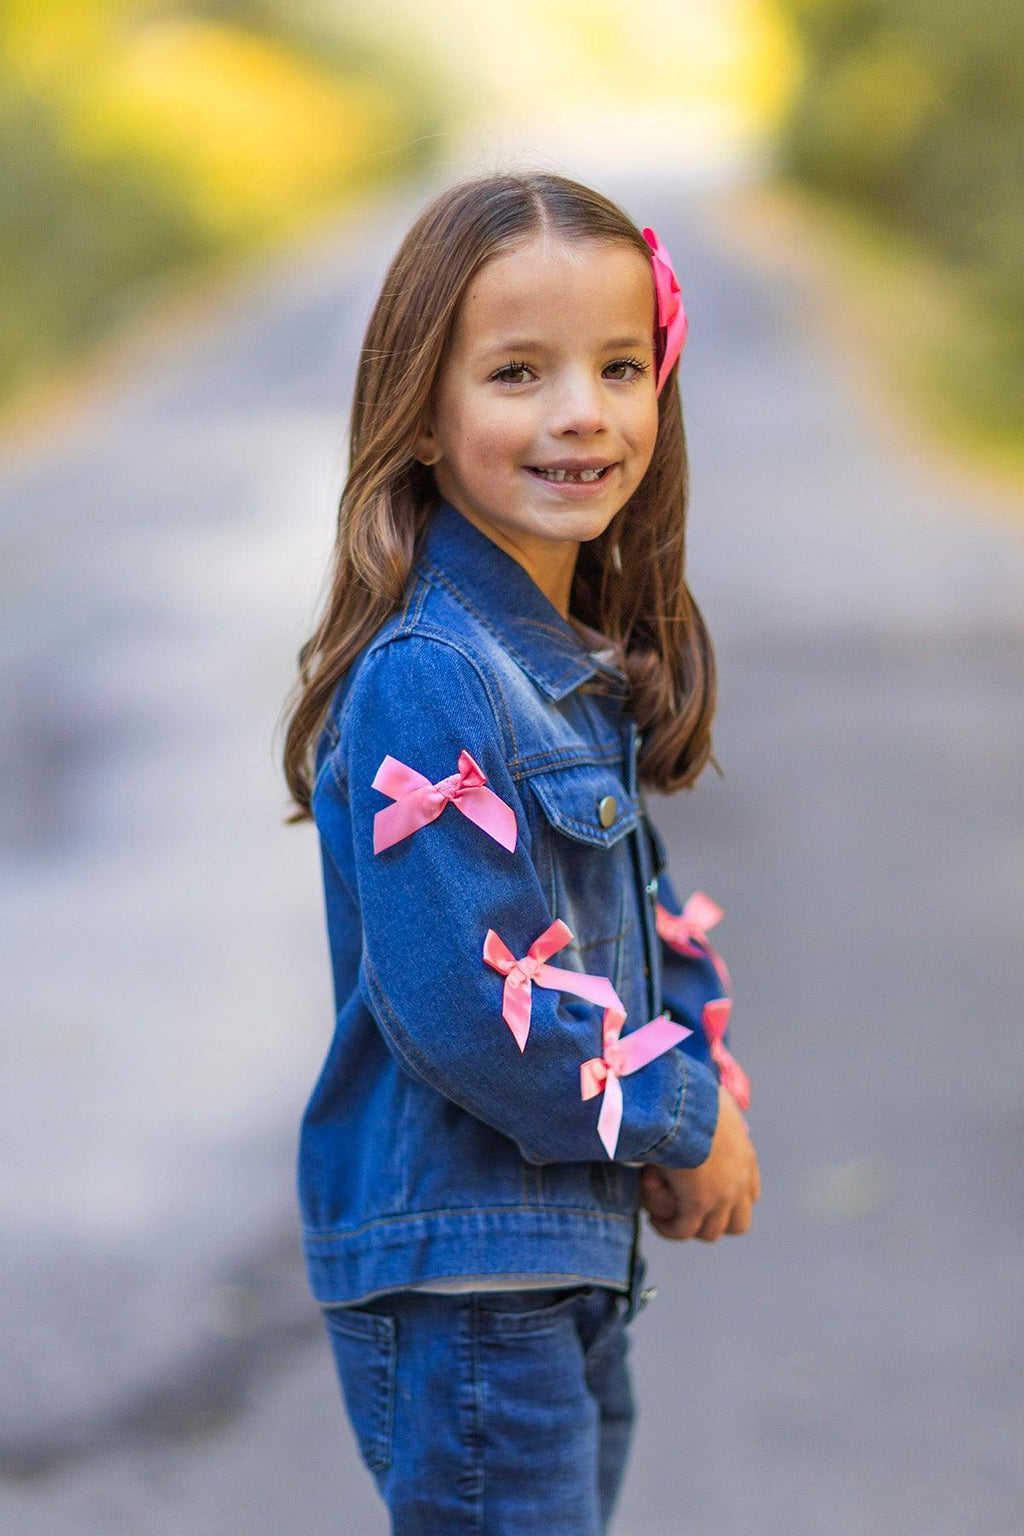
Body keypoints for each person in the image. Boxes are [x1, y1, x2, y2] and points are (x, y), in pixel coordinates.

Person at [279, 170, 761, 1535]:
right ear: (421, 417)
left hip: (544, 1260)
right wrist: (680, 1118)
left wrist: (696, 1078)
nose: (582, 411)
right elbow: (472, 1004)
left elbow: (628, 920)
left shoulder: (556, 664)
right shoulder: (431, 676)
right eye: (516, 372)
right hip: (471, 1284)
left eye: (620, 365)